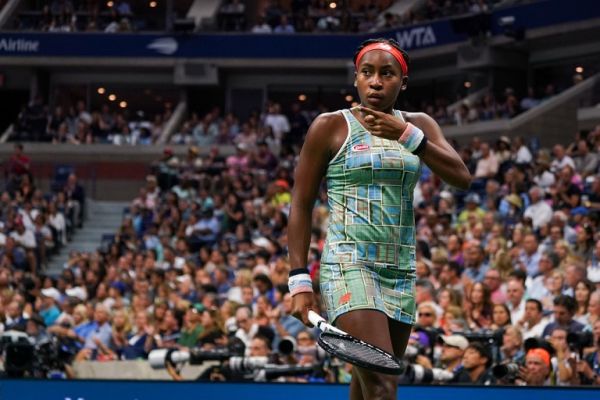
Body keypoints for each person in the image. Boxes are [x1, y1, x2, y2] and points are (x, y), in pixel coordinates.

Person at [288, 38, 470, 400]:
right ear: (356, 79)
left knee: (367, 386)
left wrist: (406, 136)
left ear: (402, 82)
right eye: (367, 73)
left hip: (400, 269)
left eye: (387, 74)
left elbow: (461, 177)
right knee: (383, 386)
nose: (375, 81)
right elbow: (301, 203)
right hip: (348, 264)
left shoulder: (419, 125)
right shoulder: (330, 126)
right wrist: (299, 279)